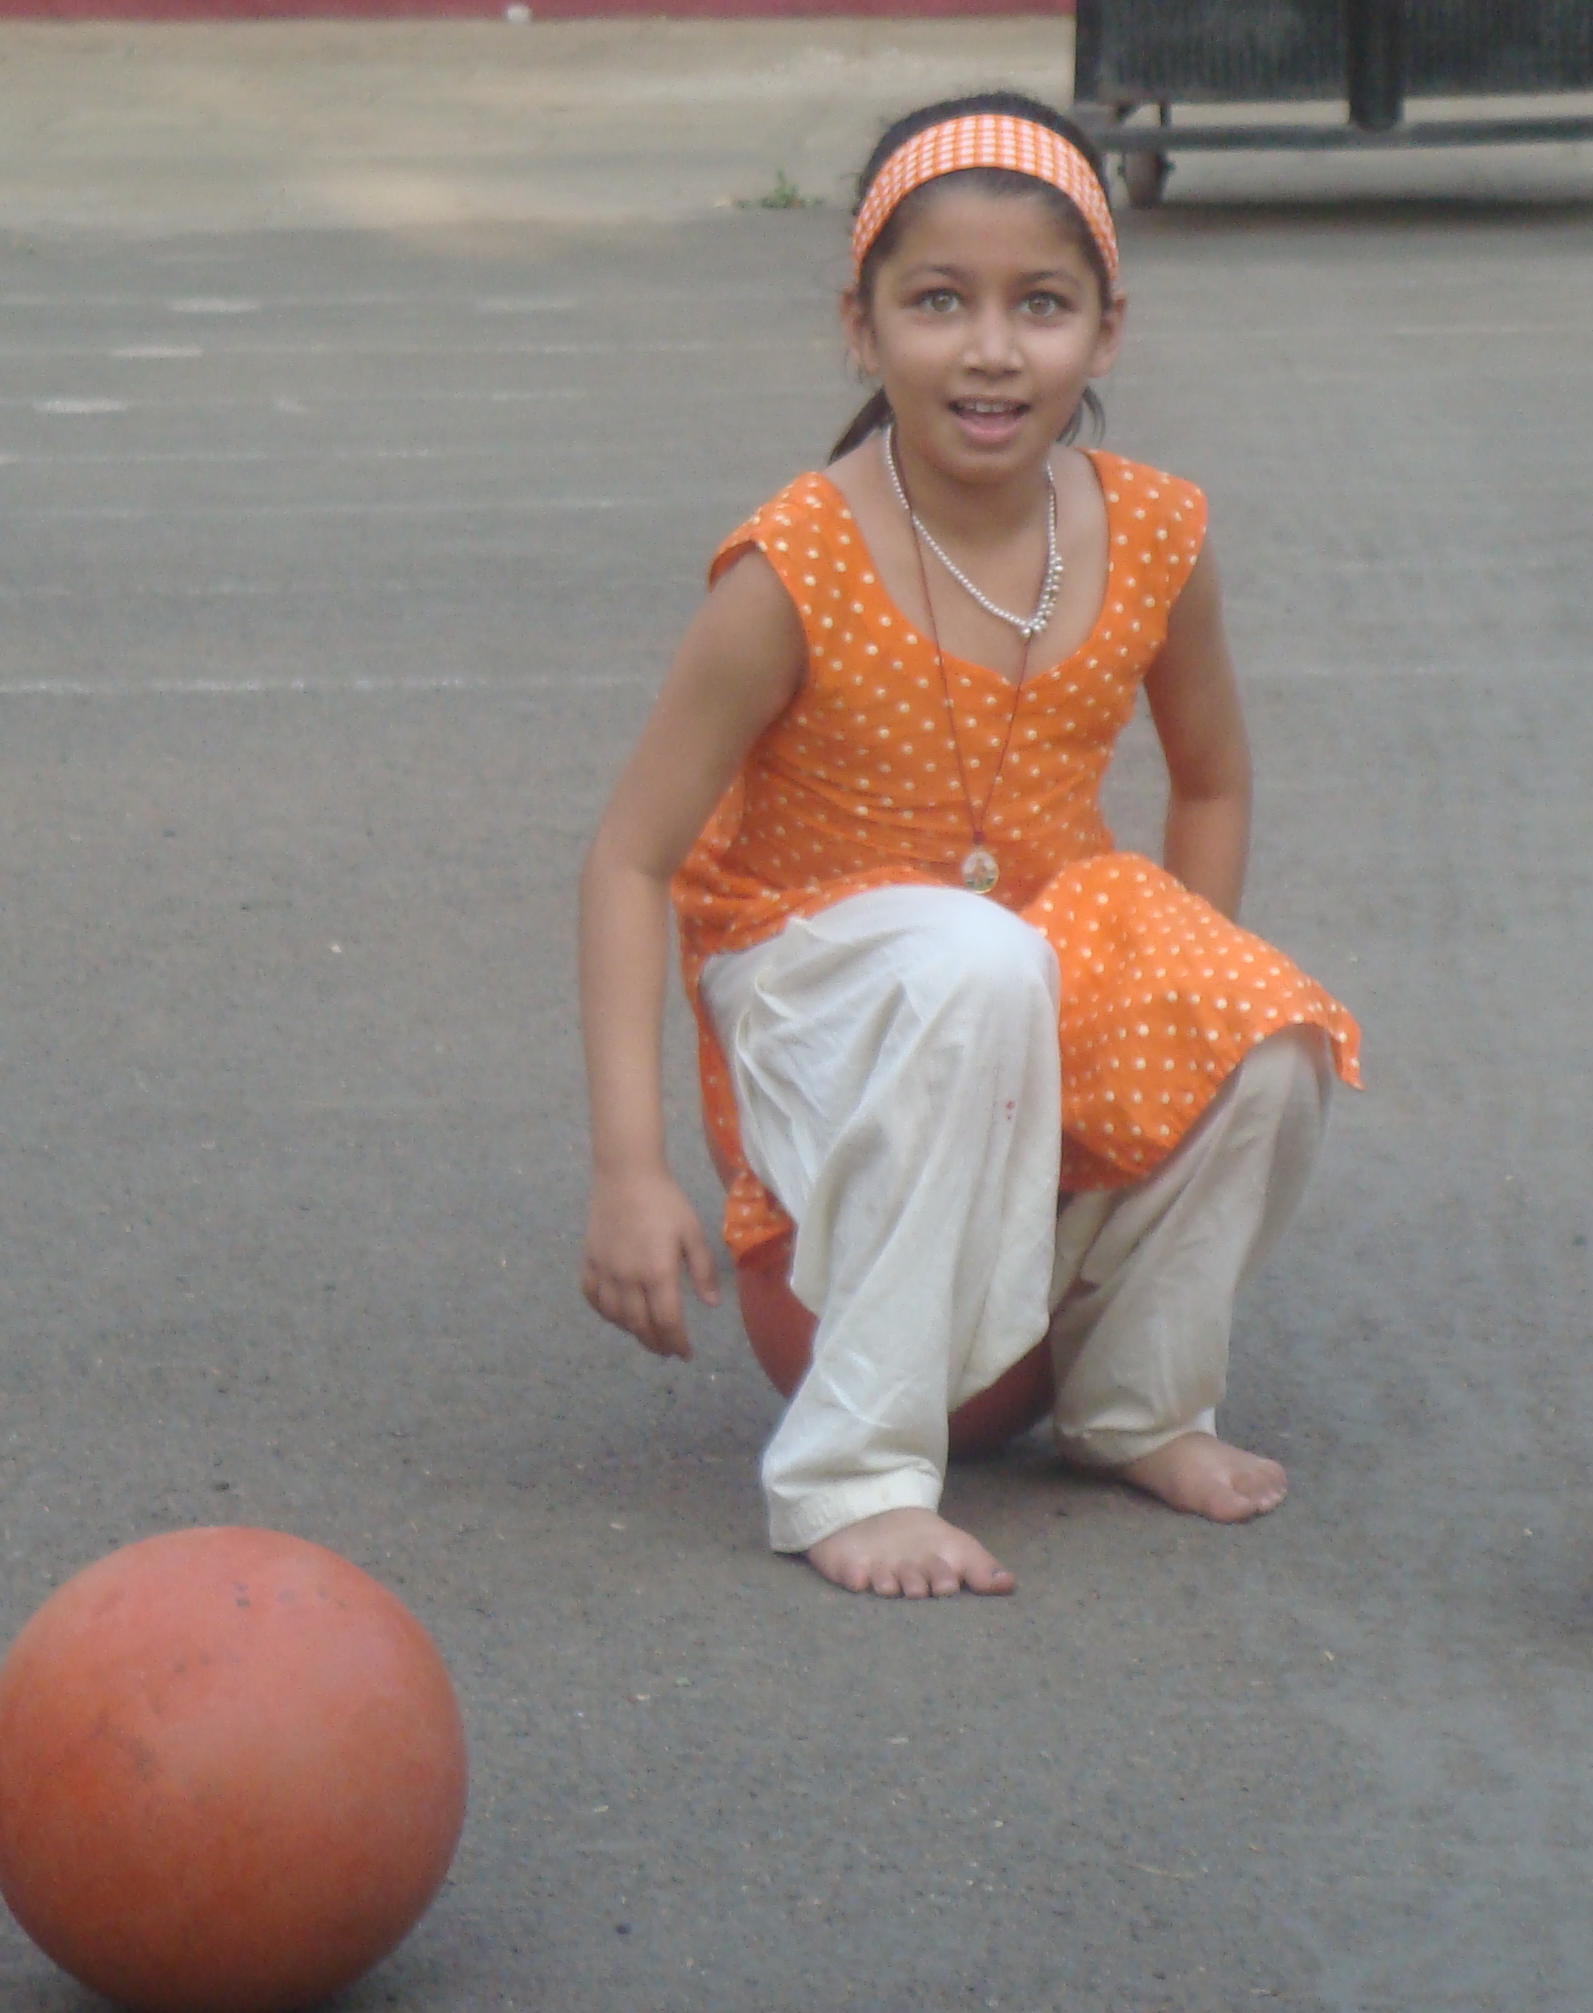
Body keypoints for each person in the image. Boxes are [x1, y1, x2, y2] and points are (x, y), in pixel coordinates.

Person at [576, 93, 1360, 1599]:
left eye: (1040, 305)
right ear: (860, 330)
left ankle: (1134, 1401)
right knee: (977, 958)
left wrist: (1171, 1020)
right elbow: (627, 857)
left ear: (1107, 333)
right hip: (814, 985)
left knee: (1267, 1034)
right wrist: (629, 1168)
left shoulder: (1153, 535)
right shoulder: (792, 566)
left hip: (1005, 979)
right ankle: (853, 1471)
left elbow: (1212, 781)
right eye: (938, 302)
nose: (991, 348)